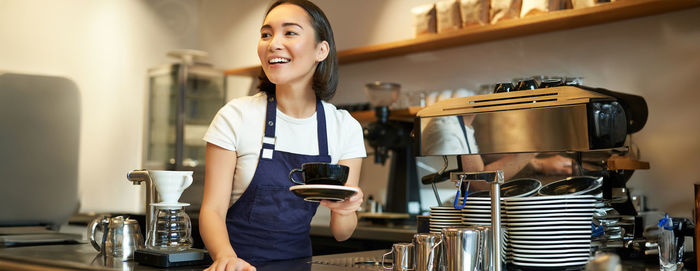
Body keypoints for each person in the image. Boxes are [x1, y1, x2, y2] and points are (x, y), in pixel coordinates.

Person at [199, 1, 366, 270]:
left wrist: (345, 209)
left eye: (290, 33)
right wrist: (225, 257)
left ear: (321, 50)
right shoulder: (235, 116)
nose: (273, 43)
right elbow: (212, 210)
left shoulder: (344, 127)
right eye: (266, 34)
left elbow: (342, 232)